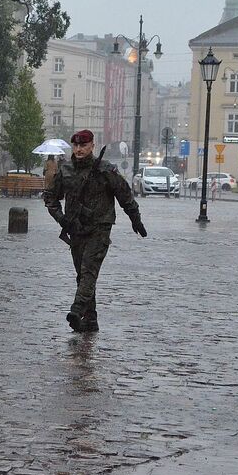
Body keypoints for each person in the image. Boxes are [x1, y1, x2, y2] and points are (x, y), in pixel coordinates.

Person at [43, 129, 147, 333]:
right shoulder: (66, 170)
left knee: (89, 271)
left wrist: (136, 220)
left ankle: (77, 309)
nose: (79, 149)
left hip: (100, 228)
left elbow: (125, 196)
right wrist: (61, 219)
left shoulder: (105, 170)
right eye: (76, 146)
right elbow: (50, 198)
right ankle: (91, 320)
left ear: (92, 145)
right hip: (75, 229)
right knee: (82, 276)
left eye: (83, 145)